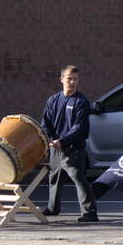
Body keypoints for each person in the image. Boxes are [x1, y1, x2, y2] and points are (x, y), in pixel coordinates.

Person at [40, 65, 99, 222]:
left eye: (75, 79)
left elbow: (78, 127)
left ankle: (90, 213)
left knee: (78, 178)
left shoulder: (81, 101)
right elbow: (45, 123)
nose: (72, 82)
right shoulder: (53, 100)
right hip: (56, 148)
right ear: (61, 79)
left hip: (73, 148)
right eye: (69, 79)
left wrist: (63, 140)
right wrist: (51, 139)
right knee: (54, 178)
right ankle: (53, 209)